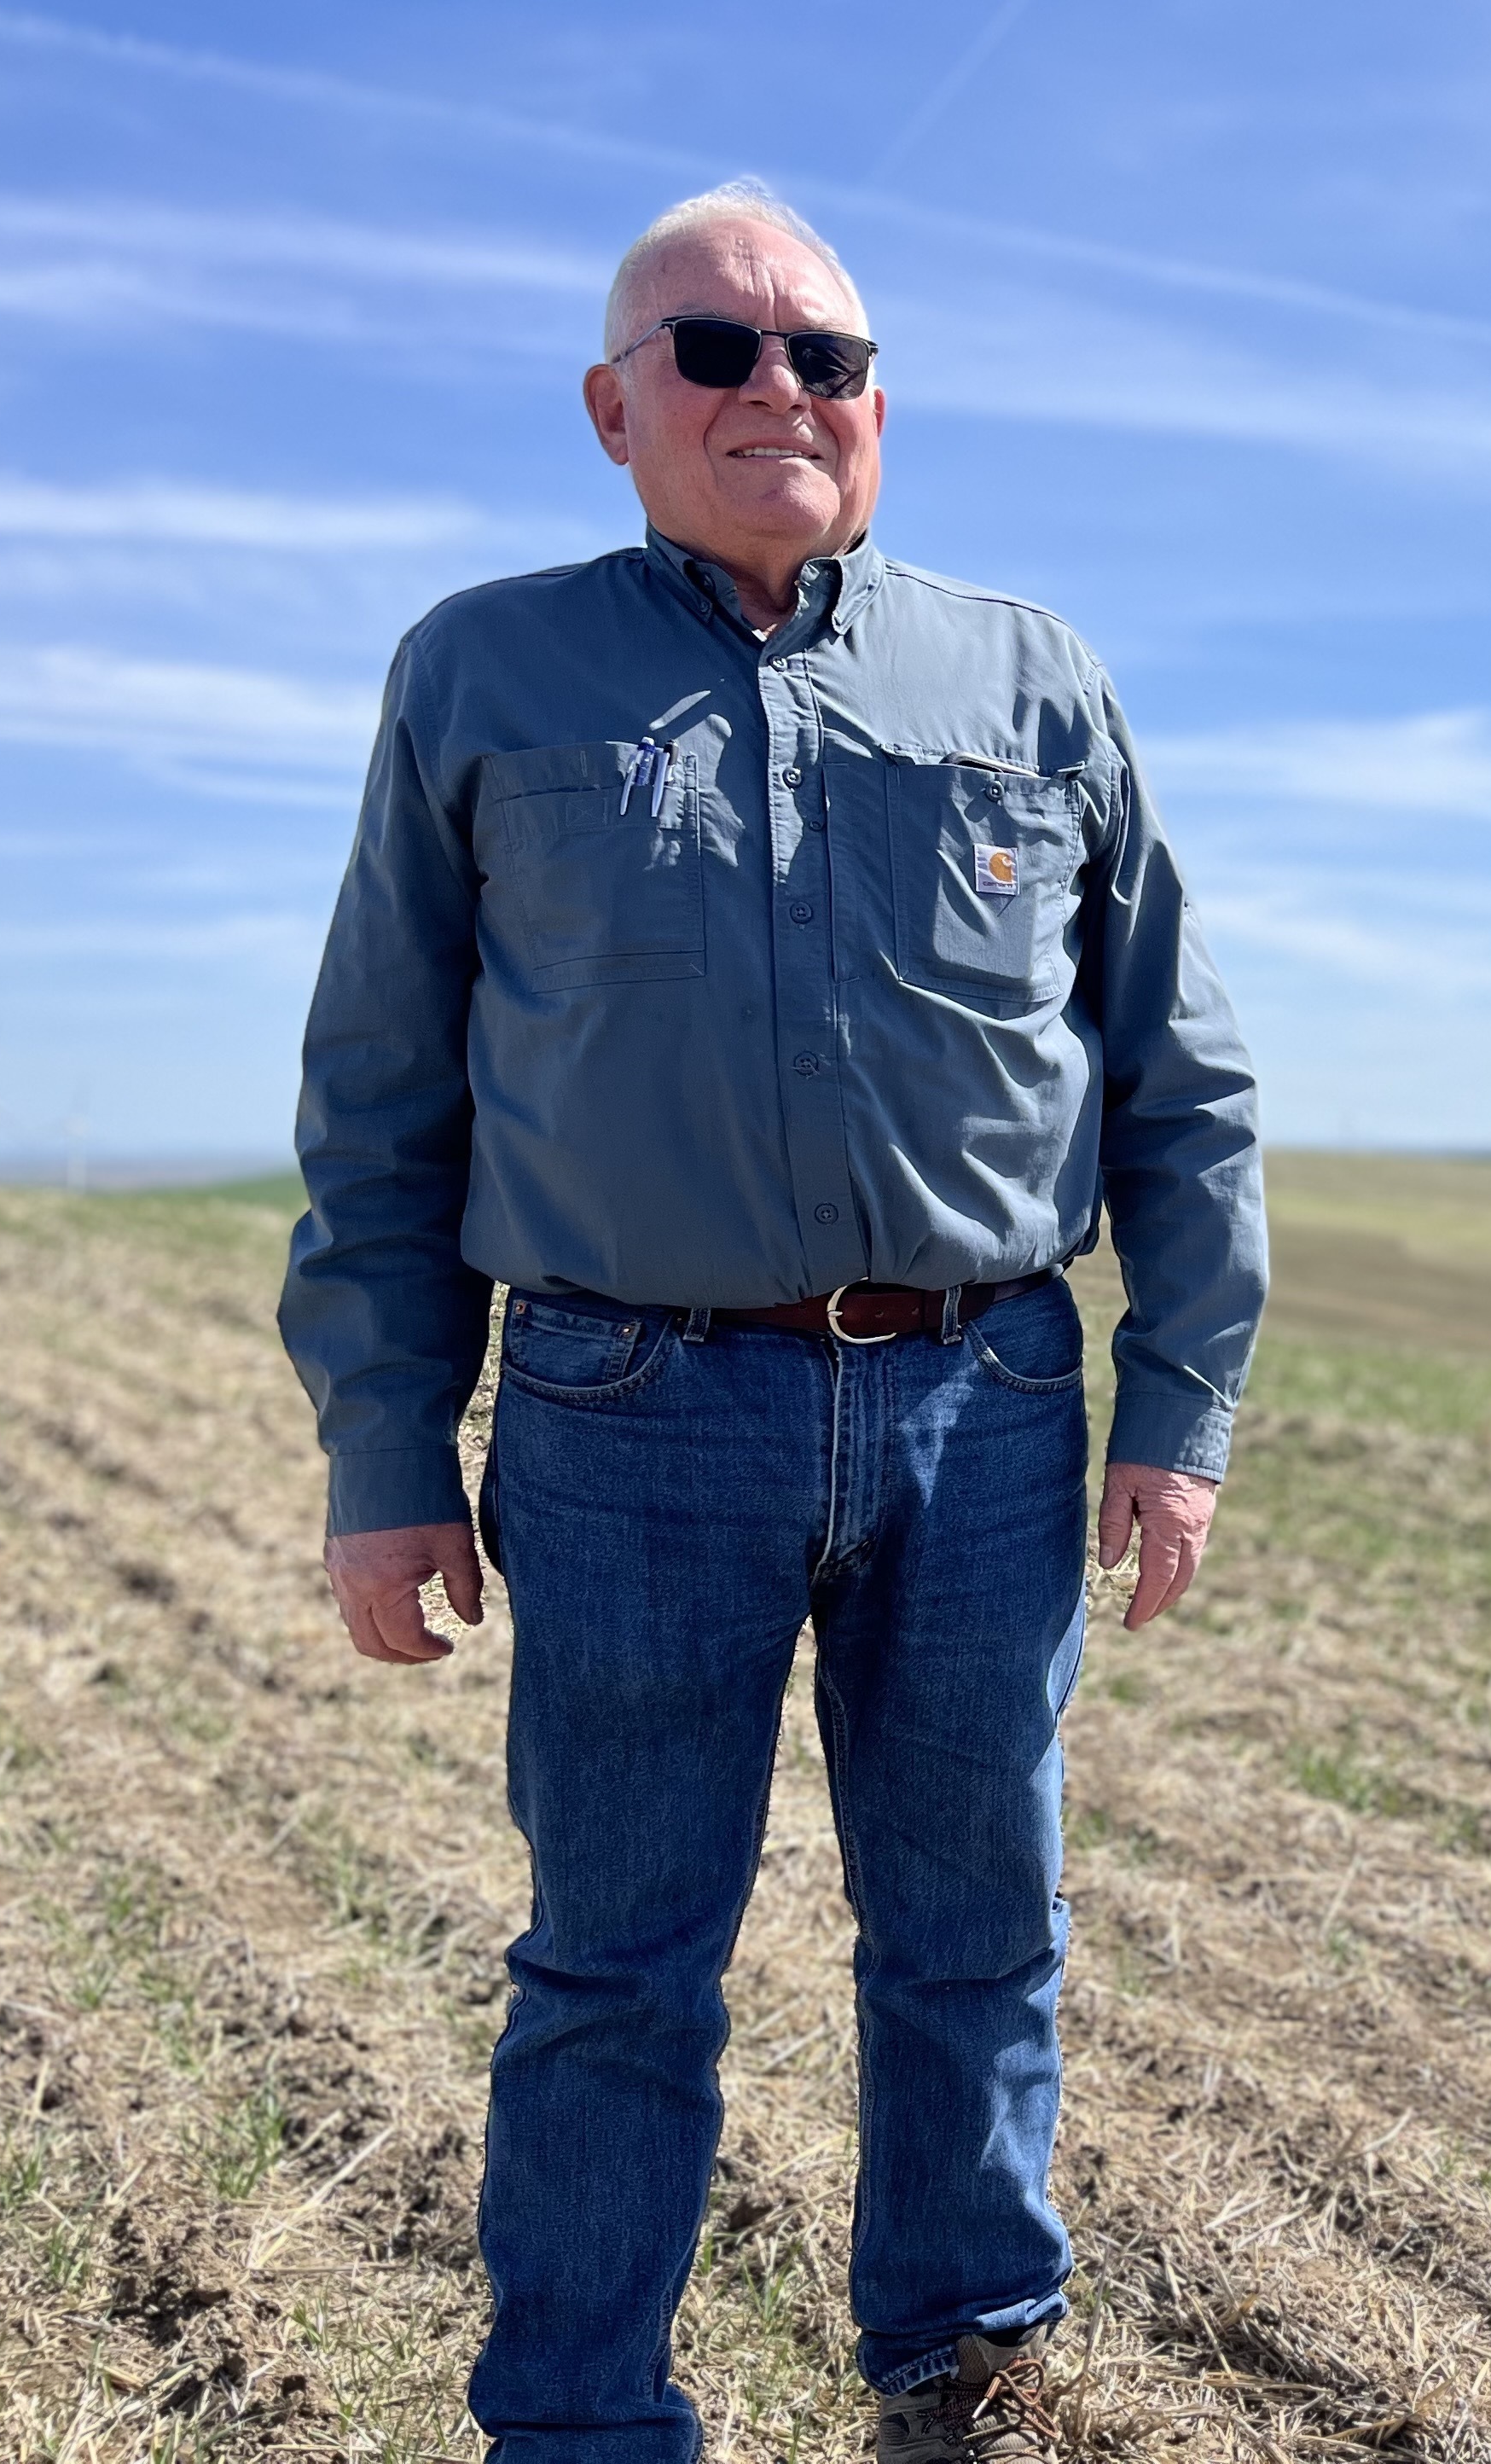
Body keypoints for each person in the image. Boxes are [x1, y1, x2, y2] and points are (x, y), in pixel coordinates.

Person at [277, 178, 1267, 2464]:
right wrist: (381, 1455)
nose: (779, 391)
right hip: (631, 1410)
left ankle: (963, 2361)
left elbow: (1176, 1069)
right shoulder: (481, 673)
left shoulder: (1031, 675)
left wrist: (1179, 1396)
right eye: (716, 352)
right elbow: (379, 1094)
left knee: (977, 1934)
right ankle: (586, 2421)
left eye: (826, 354)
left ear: (880, 407)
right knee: (617, 1964)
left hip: (991, 1399)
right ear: (613, 407)